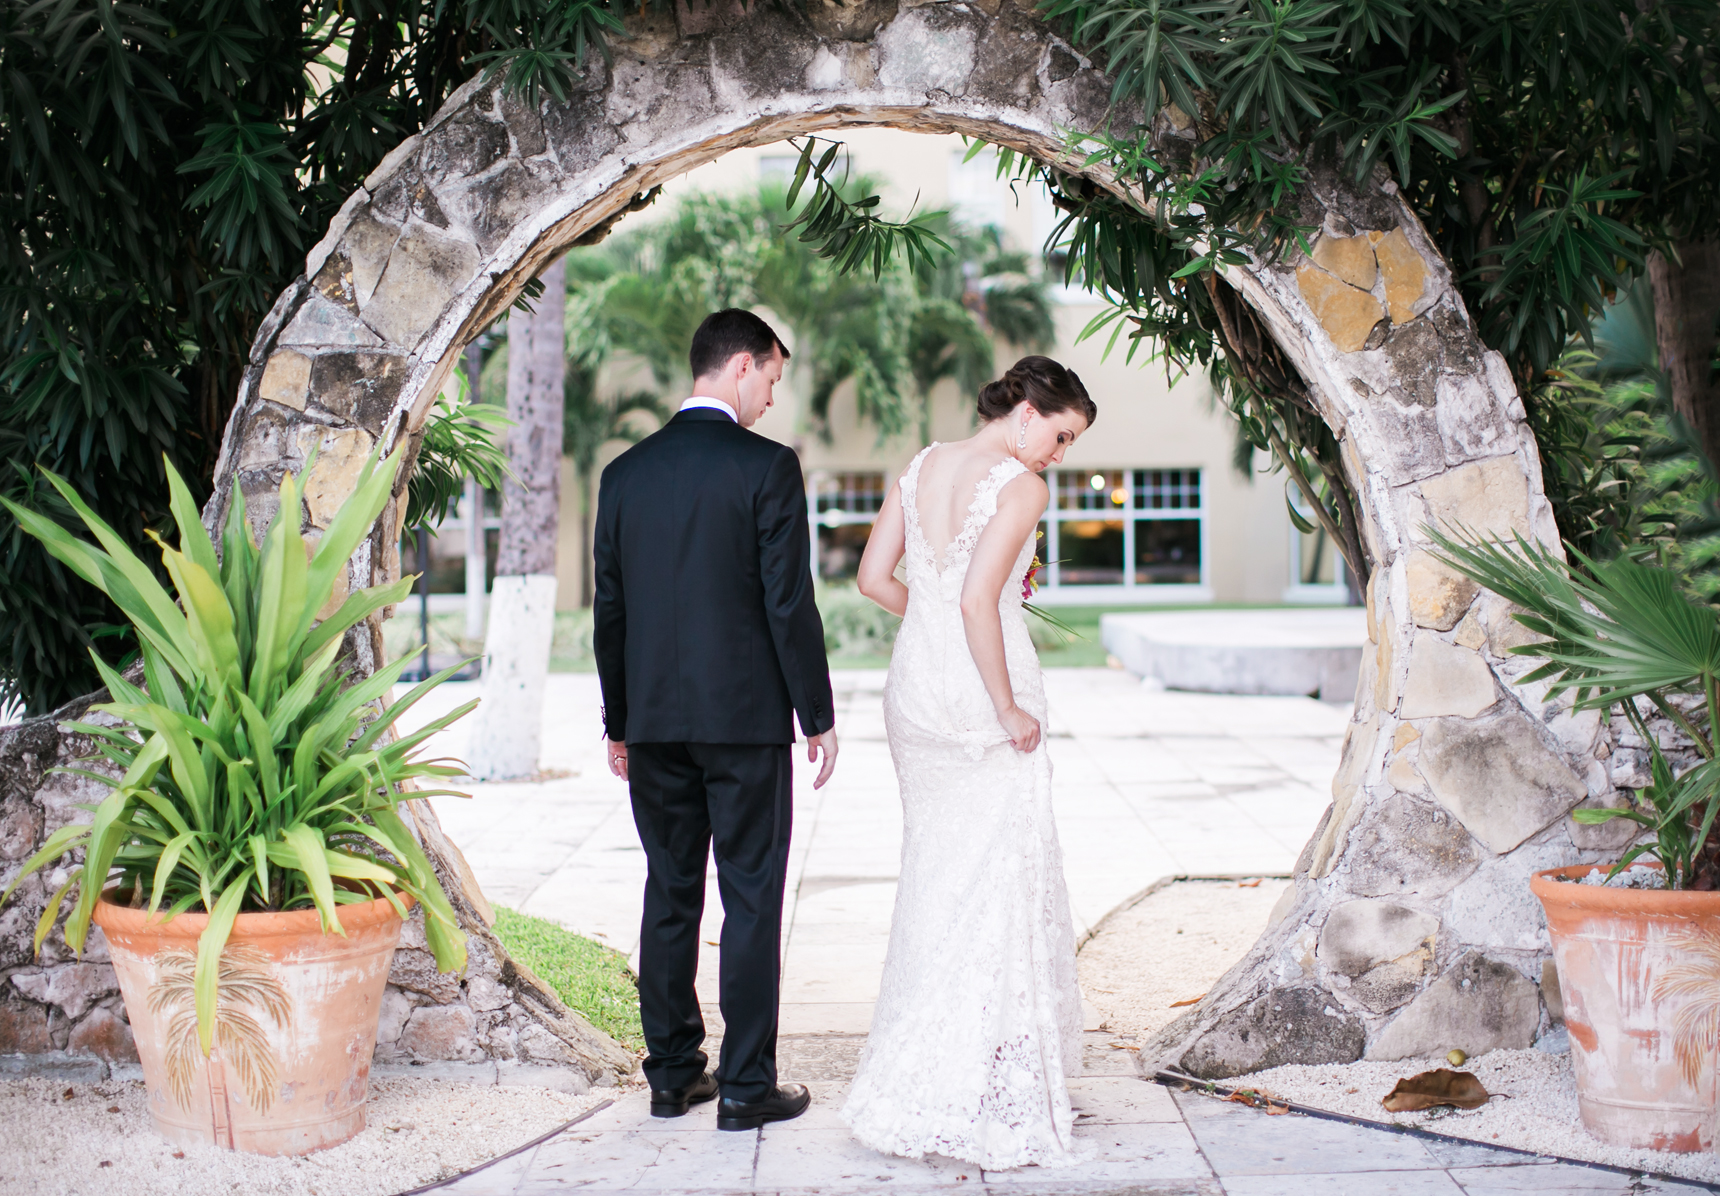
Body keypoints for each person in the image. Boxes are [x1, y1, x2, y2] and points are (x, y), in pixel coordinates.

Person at [842, 355, 1096, 1169]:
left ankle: (918, 1071)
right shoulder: (1021, 488)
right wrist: (1007, 706)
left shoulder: (921, 465)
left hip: (916, 689)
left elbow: (871, 578)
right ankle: (985, 1079)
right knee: (997, 876)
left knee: (937, 873)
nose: (1058, 456)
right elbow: (978, 600)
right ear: (1027, 408)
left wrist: (938, 634)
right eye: (1059, 436)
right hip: (979, 695)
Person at [593, 308, 839, 1131]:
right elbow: (786, 600)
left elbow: (611, 612)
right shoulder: (768, 467)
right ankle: (744, 1087)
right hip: (742, 724)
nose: (772, 397)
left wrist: (618, 723)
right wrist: (817, 712)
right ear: (742, 367)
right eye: (771, 377)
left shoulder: (625, 474)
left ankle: (670, 1076)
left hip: (655, 723)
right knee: (752, 896)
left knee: (670, 891)